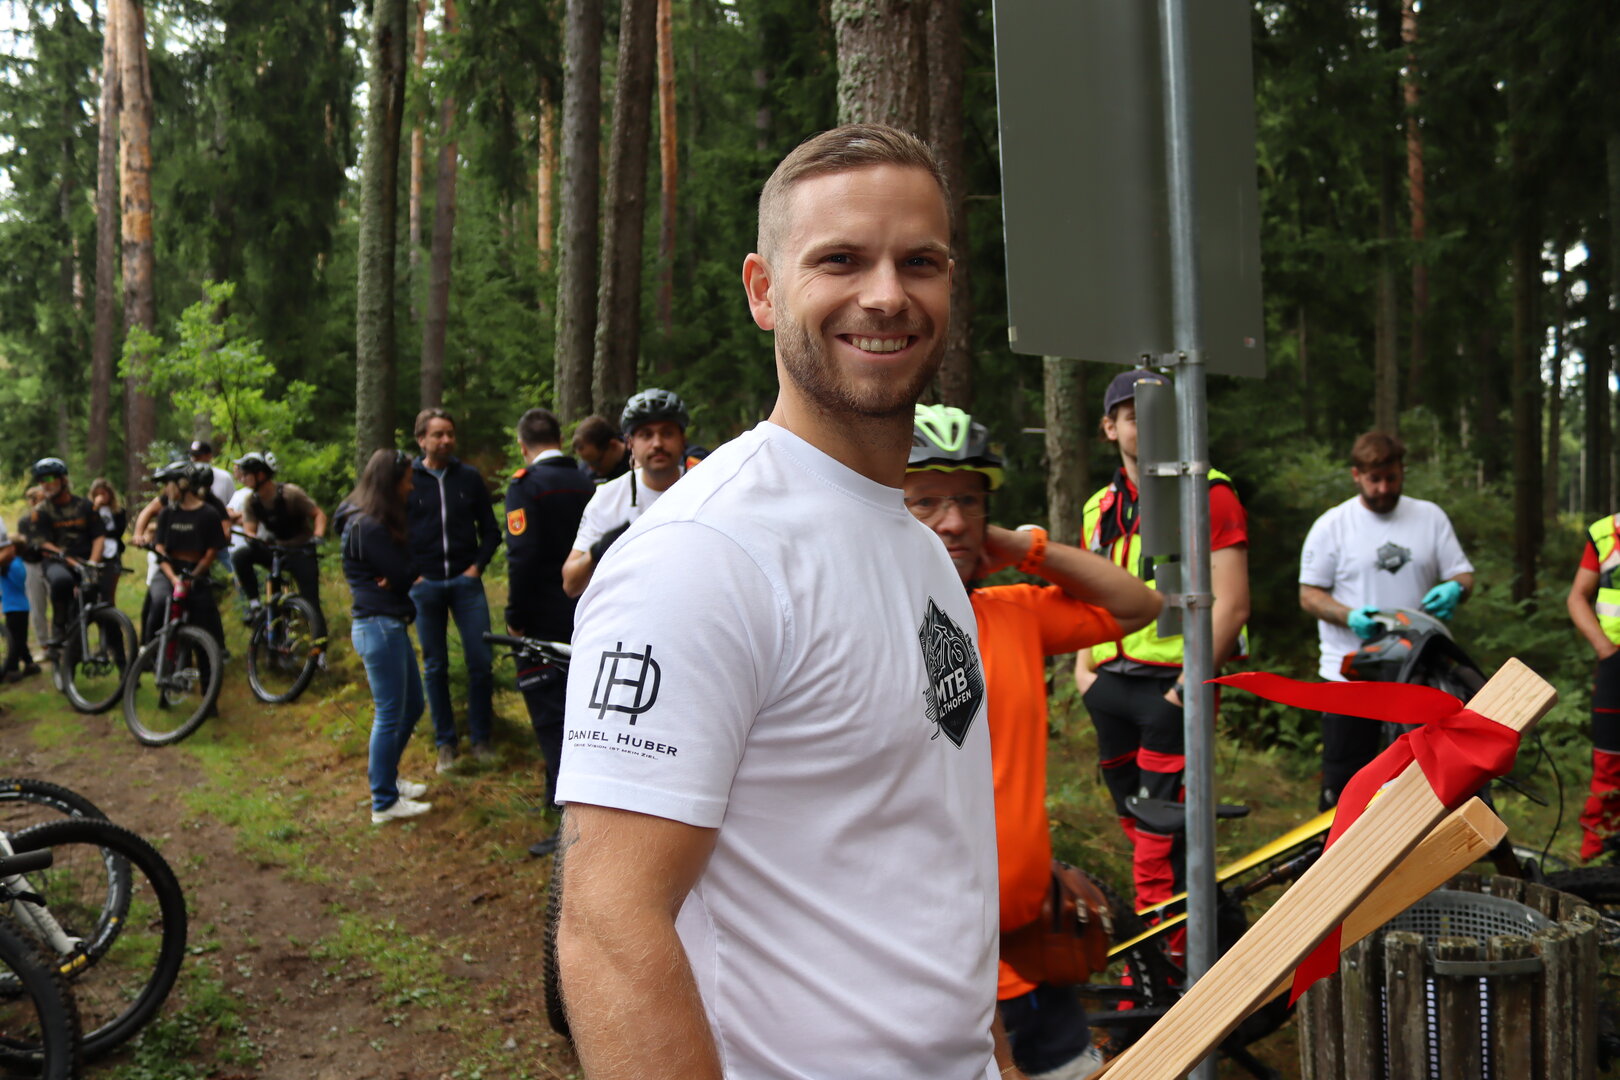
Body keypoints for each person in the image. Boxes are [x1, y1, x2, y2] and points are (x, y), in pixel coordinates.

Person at [557, 124, 1012, 1079]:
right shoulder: (701, 554)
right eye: (840, 260)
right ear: (764, 292)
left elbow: (936, 863)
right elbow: (608, 930)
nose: (886, 295)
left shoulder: (924, 554)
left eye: (919, 262)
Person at [907, 404, 1162, 1080]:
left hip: (1033, 954)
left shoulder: (1013, 612)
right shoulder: (862, 628)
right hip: (932, 971)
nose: (953, 521)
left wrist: (1023, 548)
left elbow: (1138, 605)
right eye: (925, 502)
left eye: (968, 501)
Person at [1074, 369, 1251, 953]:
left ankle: (1165, 966)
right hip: (1108, 684)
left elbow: (1234, 603)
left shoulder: (1209, 493)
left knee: (1160, 840)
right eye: (1133, 417)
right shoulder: (1099, 506)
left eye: (1159, 417)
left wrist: (1185, 688)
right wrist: (1083, 670)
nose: (1146, 428)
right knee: (1140, 828)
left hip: (1172, 688)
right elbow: (1090, 592)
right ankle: (1197, 940)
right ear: (1110, 428)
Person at [1299, 431, 1473, 809]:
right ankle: (1339, 846)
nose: (1383, 488)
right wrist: (1348, 616)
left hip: (1417, 674)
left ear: (1402, 471)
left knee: (1425, 782)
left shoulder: (1429, 517)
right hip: (1350, 676)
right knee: (1346, 785)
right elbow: (1309, 594)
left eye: (1391, 478)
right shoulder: (1333, 525)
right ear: (1356, 475)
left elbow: (1462, 574)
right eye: (1373, 479)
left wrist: (1456, 589)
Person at [502, 407, 596, 857]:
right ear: (559, 438)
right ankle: (555, 799)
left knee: (551, 719)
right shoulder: (588, 482)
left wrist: (515, 615)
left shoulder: (525, 486)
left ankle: (570, 831)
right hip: (589, 613)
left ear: (523, 446)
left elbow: (522, 556)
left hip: (542, 619)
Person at [405, 409, 502, 772]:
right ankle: (445, 743)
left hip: (466, 583)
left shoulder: (469, 478)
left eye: (450, 434)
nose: (446, 440)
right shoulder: (408, 479)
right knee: (435, 666)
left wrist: (476, 568)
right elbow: (393, 530)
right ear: (421, 440)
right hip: (424, 586)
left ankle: (481, 739)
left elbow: (491, 531)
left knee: (481, 661)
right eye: (438, 434)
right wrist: (412, 575)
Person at [344, 448, 433, 824]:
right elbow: (403, 571)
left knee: (412, 706)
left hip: (387, 623)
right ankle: (383, 800)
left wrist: (399, 574)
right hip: (378, 626)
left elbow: (400, 571)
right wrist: (400, 574)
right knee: (390, 712)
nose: (411, 487)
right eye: (407, 480)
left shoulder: (374, 522)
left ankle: (388, 780)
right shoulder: (369, 526)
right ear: (390, 482)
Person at [560, 388, 693, 599]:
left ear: (682, 439)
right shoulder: (607, 498)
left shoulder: (707, 488)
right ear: (630, 443)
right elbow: (570, 583)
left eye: (667, 433)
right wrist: (597, 551)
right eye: (646, 435)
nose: (657, 443)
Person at [1566, 511, 1620, 861]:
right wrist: (1605, 649)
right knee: (1610, 765)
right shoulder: (1605, 533)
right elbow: (1577, 597)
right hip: (1616, 665)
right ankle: (1597, 861)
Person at [230, 450, 328, 634]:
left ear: (260, 475)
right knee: (241, 555)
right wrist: (253, 538)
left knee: (311, 601)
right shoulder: (252, 501)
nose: (242, 478)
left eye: (246, 474)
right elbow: (250, 529)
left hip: (302, 550)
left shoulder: (290, 493)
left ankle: (319, 644)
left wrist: (318, 536)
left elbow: (318, 514)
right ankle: (255, 605)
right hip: (277, 550)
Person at [27, 458, 105, 659]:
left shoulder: (85, 506)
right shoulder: (40, 511)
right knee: (61, 581)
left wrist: (93, 563)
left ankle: (121, 661)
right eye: (41, 480)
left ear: (63, 479)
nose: (45, 484)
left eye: (49, 478)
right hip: (57, 561)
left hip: (86, 561)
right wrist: (69, 560)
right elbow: (43, 543)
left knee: (98, 600)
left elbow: (98, 536)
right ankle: (59, 626)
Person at [145, 461, 228, 649]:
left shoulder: (209, 514)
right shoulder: (167, 513)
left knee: (204, 613)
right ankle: (150, 651)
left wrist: (193, 576)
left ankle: (211, 658)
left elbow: (211, 552)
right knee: (159, 602)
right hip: (168, 570)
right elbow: (160, 548)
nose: (165, 490)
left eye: (168, 484)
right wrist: (173, 578)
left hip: (196, 571)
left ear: (182, 484)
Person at [0, 516, 39, 682]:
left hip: (16, 607)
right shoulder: (17, 563)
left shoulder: (12, 565)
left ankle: (12, 670)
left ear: (13, 549)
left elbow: (14, 582)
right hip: (16, 606)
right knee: (19, 639)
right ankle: (30, 664)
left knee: (14, 641)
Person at [16, 487, 49, 660]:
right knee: (37, 609)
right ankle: (45, 646)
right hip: (32, 566)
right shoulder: (24, 521)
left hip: (51, 564)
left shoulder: (51, 518)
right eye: (35, 500)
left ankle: (65, 644)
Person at [87, 478, 127, 606]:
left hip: (112, 553)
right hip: (94, 553)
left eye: (103, 494)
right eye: (97, 494)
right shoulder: (88, 511)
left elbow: (119, 531)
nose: (101, 497)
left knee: (108, 591)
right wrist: (95, 508)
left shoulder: (118, 511)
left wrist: (103, 534)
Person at [570, 416, 631, 485]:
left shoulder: (637, 462)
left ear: (613, 445)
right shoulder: (584, 473)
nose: (592, 469)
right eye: (586, 462)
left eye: (596, 462)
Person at [189, 440, 237, 507]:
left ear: (209, 456)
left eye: (198, 456)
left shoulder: (224, 477)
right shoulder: (187, 477)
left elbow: (233, 504)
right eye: (192, 456)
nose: (194, 459)